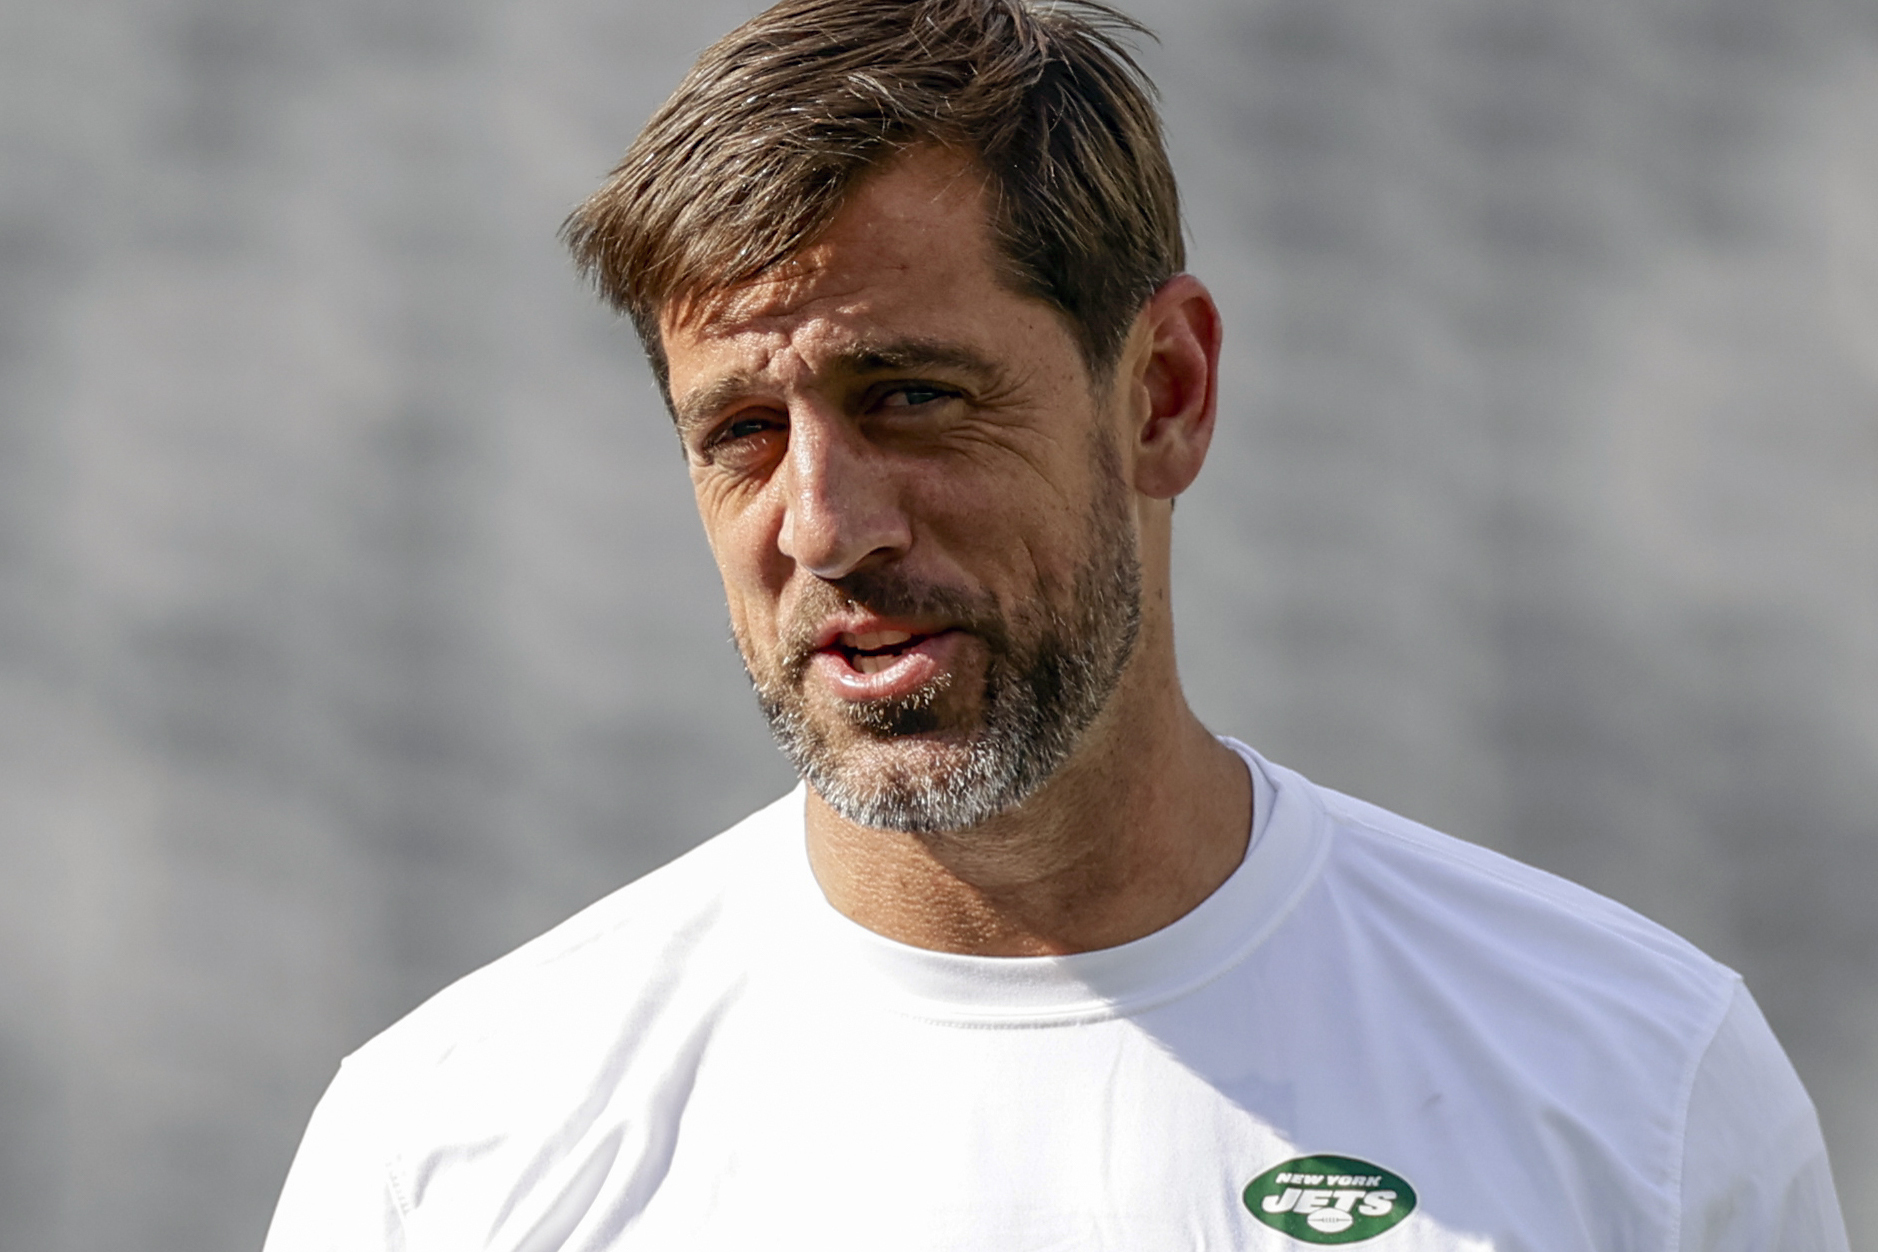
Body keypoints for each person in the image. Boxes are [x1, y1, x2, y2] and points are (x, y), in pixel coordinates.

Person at [264, 1, 1849, 1248]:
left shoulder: (1630, 1083)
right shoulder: (452, 1152)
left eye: (910, 396)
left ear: (1163, 394)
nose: (824, 525)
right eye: (739, 431)